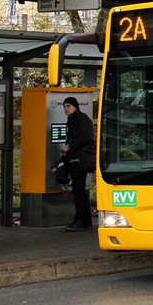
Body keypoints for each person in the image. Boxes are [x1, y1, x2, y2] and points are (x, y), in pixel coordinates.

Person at [55, 97, 95, 231]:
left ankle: (80, 220)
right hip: (77, 158)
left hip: (80, 159)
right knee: (80, 190)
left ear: (75, 106)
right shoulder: (75, 119)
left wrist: (70, 146)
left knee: (78, 190)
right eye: (64, 106)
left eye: (68, 106)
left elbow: (86, 137)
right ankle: (85, 219)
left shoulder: (80, 119)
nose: (66, 109)